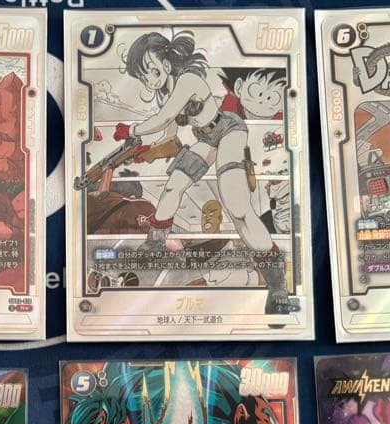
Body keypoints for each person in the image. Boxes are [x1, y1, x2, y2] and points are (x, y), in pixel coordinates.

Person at [114, 31, 288, 313]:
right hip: (206, 139)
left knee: (238, 207)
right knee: (174, 184)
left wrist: (131, 130)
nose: (149, 80)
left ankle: (276, 279)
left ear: (165, 62)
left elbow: (163, 118)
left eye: (151, 71)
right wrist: (145, 148)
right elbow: (169, 131)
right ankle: (155, 245)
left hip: (228, 130)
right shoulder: (168, 90)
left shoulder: (188, 80)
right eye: (143, 77)